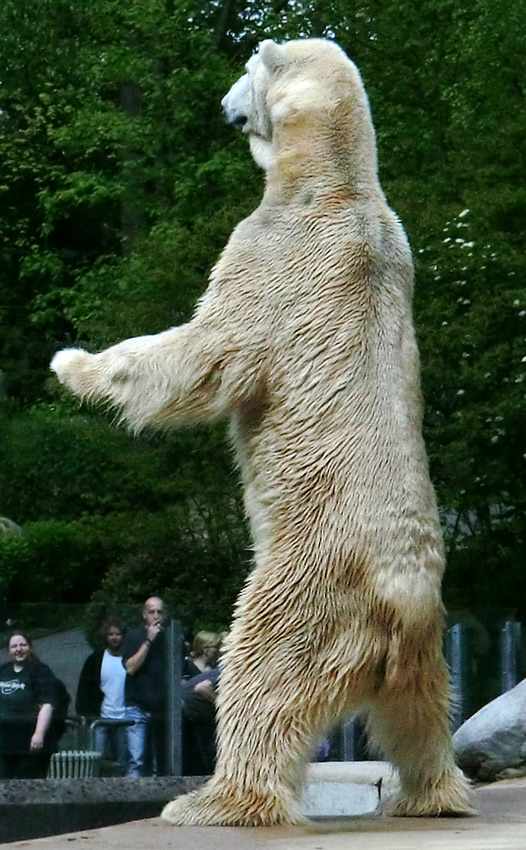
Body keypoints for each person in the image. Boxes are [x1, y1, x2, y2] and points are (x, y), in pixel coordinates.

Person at [0, 632, 60, 778]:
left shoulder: (41, 672)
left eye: (23, 645)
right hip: (3, 744)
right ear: (9, 651)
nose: (19, 649)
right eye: (14, 646)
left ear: (30, 647)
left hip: (30, 745)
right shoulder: (3, 671)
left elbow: (47, 704)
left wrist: (39, 734)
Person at [76, 616, 129, 774]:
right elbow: (85, 688)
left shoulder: (131, 658)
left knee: (123, 761)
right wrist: (86, 713)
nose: (114, 637)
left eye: (118, 634)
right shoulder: (96, 659)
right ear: (105, 637)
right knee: (94, 759)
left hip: (125, 718)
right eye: (111, 634)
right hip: (100, 717)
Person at [121, 597, 167, 777]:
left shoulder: (171, 637)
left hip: (163, 708)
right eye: (151, 612)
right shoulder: (133, 637)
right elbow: (130, 668)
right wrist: (149, 641)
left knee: (161, 761)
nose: (156, 616)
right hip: (137, 706)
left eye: (159, 612)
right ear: (144, 614)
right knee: (136, 760)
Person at [182, 667, 220, 775]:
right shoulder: (232, 673)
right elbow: (202, 688)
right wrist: (226, 710)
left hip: (195, 714)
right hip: (188, 711)